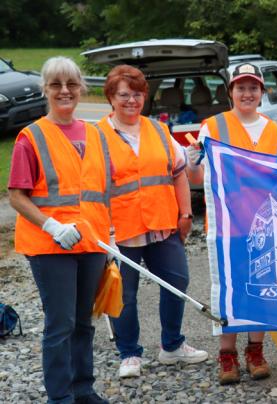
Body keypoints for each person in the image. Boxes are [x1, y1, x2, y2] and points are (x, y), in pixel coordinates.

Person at [8, 56, 111, 403]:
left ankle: (83, 389)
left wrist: (110, 238)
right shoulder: (31, 137)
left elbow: (99, 192)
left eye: (71, 84)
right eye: (56, 85)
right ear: (45, 90)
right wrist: (52, 226)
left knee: (84, 322)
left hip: (92, 242)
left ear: (81, 88)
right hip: (51, 247)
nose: (64, 91)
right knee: (61, 324)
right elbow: (16, 197)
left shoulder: (96, 135)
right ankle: (60, 397)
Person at [97, 65, 208, 379]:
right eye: (123, 95)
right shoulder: (97, 137)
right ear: (110, 98)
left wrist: (185, 214)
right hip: (121, 229)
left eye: (137, 94)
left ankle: (172, 345)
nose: (131, 100)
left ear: (144, 96)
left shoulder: (159, 130)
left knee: (178, 281)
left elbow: (179, 173)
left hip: (163, 225)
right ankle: (129, 353)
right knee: (123, 293)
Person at [186, 63, 277, 385]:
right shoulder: (213, 127)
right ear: (230, 92)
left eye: (253, 88)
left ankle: (255, 351)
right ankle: (227, 356)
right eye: (240, 88)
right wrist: (191, 164)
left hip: (264, 227)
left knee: (261, 290)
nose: (247, 94)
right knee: (228, 292)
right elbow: (199, 179)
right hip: (227, 228)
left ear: (262, 93)